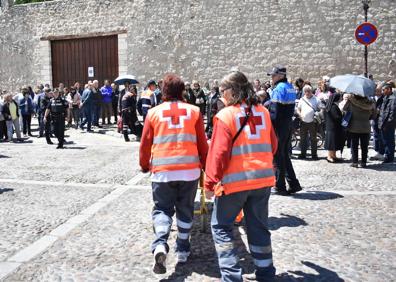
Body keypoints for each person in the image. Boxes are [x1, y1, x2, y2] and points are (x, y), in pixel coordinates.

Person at [204, 71, 278, 282]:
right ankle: (266, 274)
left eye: (222, 91)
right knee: (258, 228)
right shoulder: (263, 111)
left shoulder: (225, 116)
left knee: (221, 227)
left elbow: (218, 153)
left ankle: (231, 276)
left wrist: (209, 183)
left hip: (235, 183)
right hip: (262, 180)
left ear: (232, 91)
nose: (221, 96)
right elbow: (273, 145)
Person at [139, 74, 208, 274]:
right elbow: (202, 143)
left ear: (164, 91)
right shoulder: (194, 111)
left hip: (163, 172)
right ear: (182, 91)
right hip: (189, 171)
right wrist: (205, 164)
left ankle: (160, 244)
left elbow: (145, 144)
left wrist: (144, 165)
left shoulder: (153, 113)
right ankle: (183, 249)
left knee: (162, 210)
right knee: (185, 209)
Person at [267, 65, 302, 195]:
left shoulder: (278, 89)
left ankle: (279, 185)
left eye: (274, 75)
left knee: (278, 155)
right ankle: (293, 183)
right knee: (284, 155)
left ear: (281, 75)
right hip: (287, 124)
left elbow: (274, 113)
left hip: (278, 125)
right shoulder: (290, 87)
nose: (272, 77)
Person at [342, 93, 376, 168]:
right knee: (364, 146)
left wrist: (348, 100)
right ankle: (364, 162)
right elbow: (374, 115)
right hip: (366, 126)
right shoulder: (370, 103)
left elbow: (344, 109)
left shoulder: (351, 101)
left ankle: (355, 162)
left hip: (354, 127)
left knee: (354, 145)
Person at [296, 85, 319, 160]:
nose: (307, 93)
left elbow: (321, 109)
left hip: (313, 122)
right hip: (303, 121)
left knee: (313, 139)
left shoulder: (316, 99)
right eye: (305, 91)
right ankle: (303, 154)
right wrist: (300, 115)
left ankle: (314, 155)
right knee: (303, 139)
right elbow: (298, 109)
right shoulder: (302, 99)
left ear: (311, 91)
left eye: (308, 91)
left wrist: (317, 115)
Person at [378, 83, 396, 163]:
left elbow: (392, 113)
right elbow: (382, 111)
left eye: (383, 90)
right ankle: (386, 155)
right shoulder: (385, 97)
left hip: (388, 124)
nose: (382, 91)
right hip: (382, 123)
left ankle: (389, 157)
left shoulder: (393, 99)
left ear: (389, 89)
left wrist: (387, 124)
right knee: (385, 140)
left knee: (389, 141)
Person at [324, 93, 344, 163]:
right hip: (332, 128)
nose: (341, 99)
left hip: (333, 127)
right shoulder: (333, 107)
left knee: (334, 142)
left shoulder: (333, 106)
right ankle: (329, 156)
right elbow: (336, 117)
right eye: (340, 97)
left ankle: (333, 156)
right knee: (331, 143)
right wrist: (343, 115)